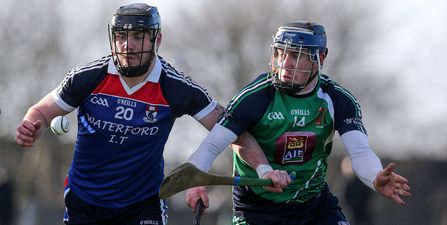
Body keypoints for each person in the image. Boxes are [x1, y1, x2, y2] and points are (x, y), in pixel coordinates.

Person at [15, 3, 289, 225]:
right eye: (121, 37)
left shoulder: (176, 88)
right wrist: (30, 125)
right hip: (85, 201)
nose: (127, 46)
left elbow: (233, 131)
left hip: (142, 204)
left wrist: (264, 168)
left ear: (156, 39)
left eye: (137, 36)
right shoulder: (87, 78)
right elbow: (40, 110)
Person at [185, 20, 412, 225]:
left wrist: (374, 177)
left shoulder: (337, 100)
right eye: (281, 54)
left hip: (313, 207)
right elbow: (212, 144)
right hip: (256, 211)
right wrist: (195, 181)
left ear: (319, 59)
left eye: (296, 55)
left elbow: (360, 151)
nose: (286, 63)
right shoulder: (254, 96)